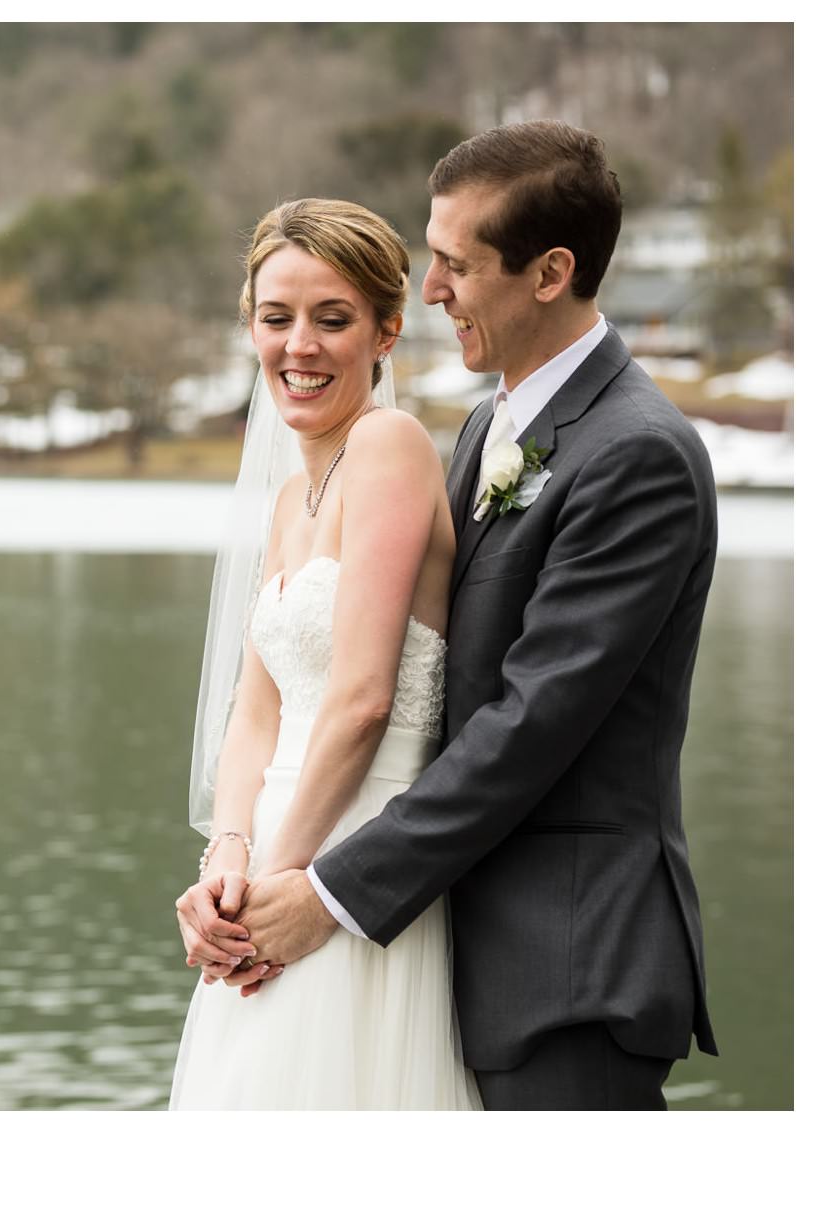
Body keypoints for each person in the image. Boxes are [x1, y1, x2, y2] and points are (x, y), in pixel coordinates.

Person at [216, 121, 719, 1111]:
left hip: (566, 960)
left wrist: (321, 892)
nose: (432, 287)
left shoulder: (636, 454)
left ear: (548, 273)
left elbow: (532, 722)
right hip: (455, 942)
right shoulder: (492, 428)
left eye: (454, 263)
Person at [169, 197, 480, 1109]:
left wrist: (282, 888)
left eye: (331, 319)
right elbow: (255, 712)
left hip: (348, 862)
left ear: (386, 331)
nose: (298, 345)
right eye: (276, 319)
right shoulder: (287, 500)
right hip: (271, 861)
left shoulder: (389, 445)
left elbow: (360, 701)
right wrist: (225, 863)